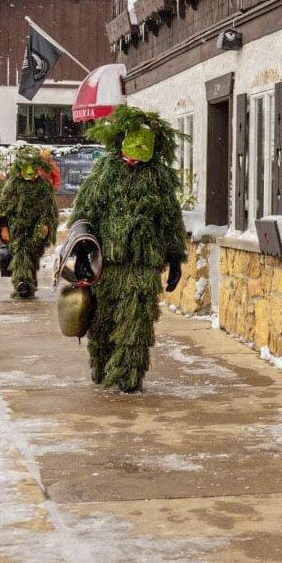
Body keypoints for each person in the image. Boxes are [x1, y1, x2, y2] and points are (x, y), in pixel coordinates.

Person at [69, 106, 186, 393]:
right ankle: (102, 363)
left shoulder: (158, 178)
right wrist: (82, 252)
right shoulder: (105, 173)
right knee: (104, 318)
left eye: (142, 148)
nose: (135, 154)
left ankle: (128, 376)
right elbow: (84, 213)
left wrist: (174, 257)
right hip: (108, 263)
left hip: (144, 263)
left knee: (137, 320)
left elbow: (170, 221)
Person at [0, 146, 59, 299]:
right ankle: (21, 282)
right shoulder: (14, 184)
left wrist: (45, 225)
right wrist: (2, 224)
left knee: (32, 256)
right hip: (17, 227)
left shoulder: (43, 186)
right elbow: (2, 204)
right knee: (21, 254)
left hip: (36, 228)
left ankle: (29, 284)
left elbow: (49, 209)